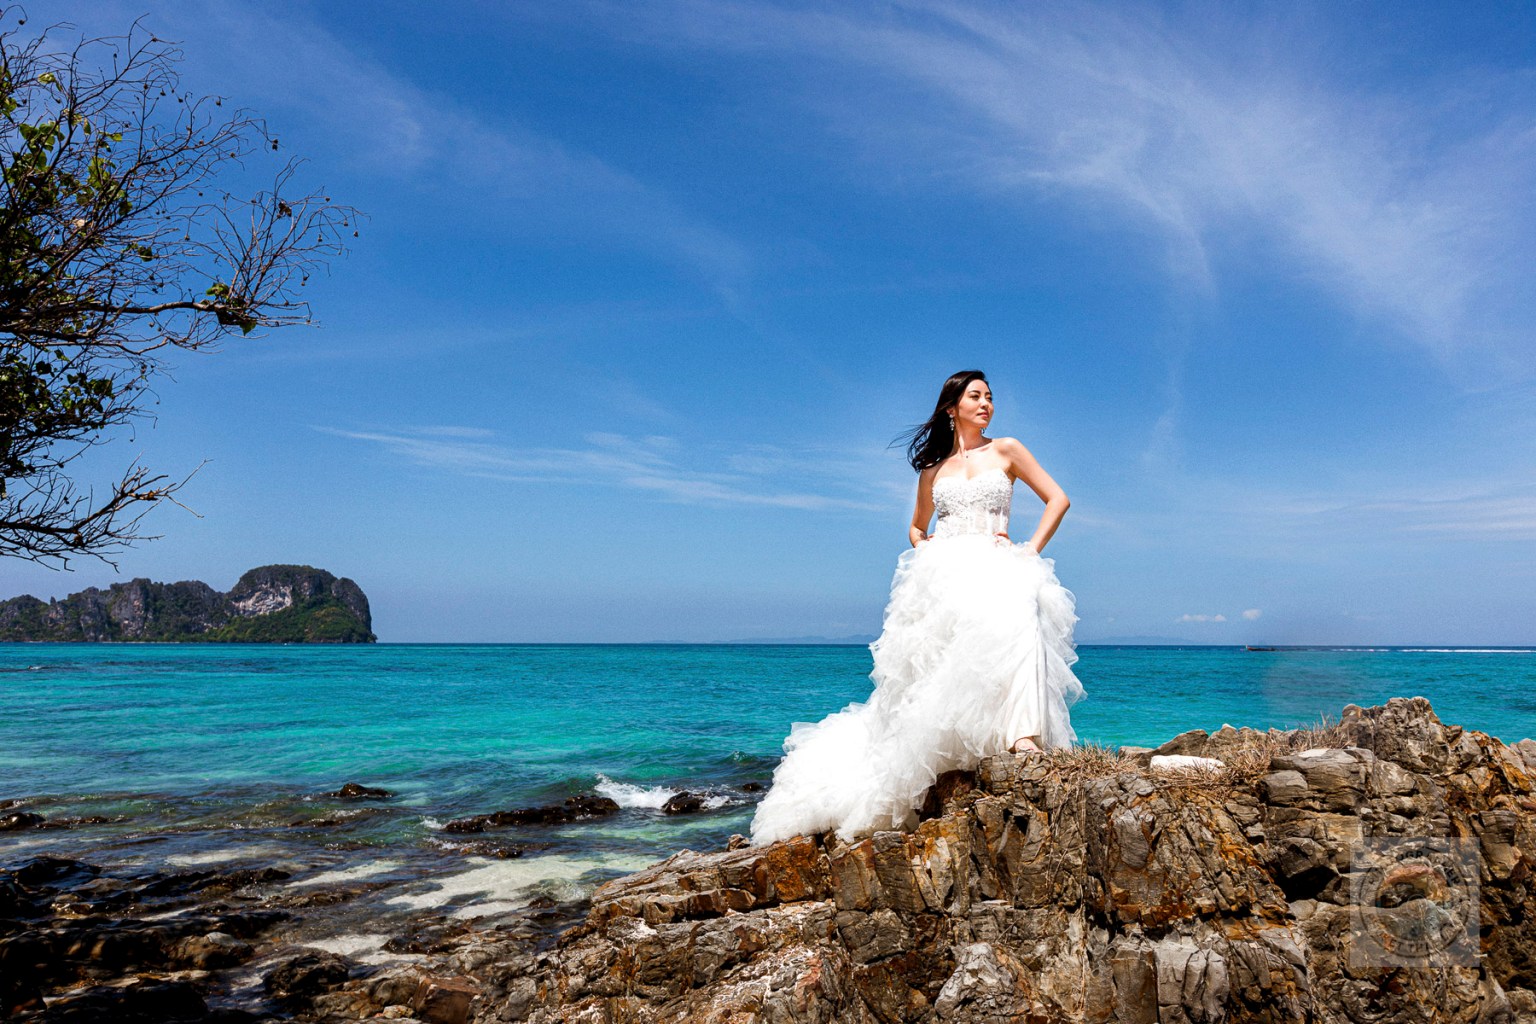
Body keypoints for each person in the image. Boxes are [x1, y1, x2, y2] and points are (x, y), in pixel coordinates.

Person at [750, 369, 1085, 846]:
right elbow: (915, 526)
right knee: (942, 668)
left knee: (1019, 614)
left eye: (990, 396)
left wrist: (1029, 549)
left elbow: (1059, 499)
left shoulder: (1007, 449)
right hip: (944, 569)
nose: (986, 403)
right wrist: (927, 549)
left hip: (998, 560)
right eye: (975, 396)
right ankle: (953, 752)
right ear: (952, 408)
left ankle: (1022, 736)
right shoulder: (932, 470)